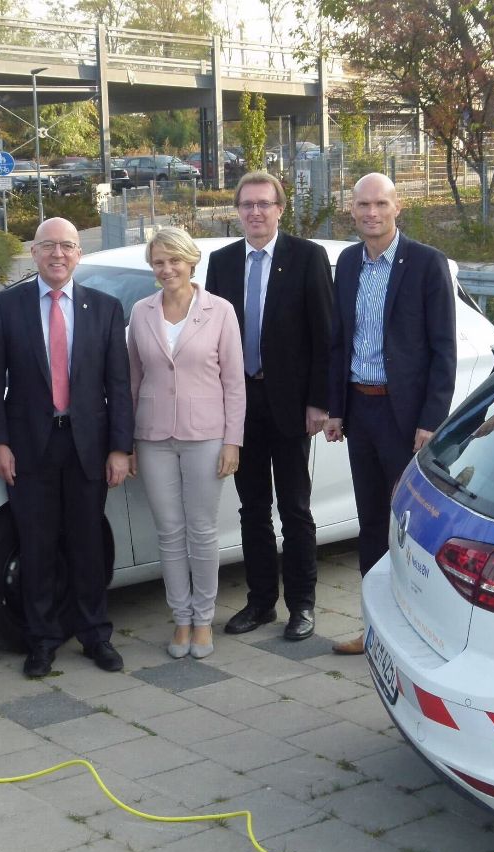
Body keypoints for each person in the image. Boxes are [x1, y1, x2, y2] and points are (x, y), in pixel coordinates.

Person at [0, 217, 134, 678]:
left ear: (78, 254)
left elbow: (118, 386)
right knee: (37, 547)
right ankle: (41, 640)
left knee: (87, 545)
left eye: (67, 246)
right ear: (34, 253)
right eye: (48, 246)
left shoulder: (104, 308)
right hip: (29, 448)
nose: (58, 254)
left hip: (88, 445)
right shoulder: (5, 307)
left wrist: (120, 448)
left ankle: (94, 635)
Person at [325, 172, 457, 655]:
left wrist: (431, 419)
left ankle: (421, 627)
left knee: (409, 525)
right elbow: (339, 340)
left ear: (397, 207)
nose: (371, 213)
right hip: (360, 411)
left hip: (407, 418)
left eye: (381, 203)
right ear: (352, 209)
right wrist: (336, 408)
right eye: (363, 205)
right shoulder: (347, 262)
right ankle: (373, 627)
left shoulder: (426, 264)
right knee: (370, 520)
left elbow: (444, 349)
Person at [205, 171, 332, 641]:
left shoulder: (307, 257)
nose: (255, 212)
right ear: (237, 211)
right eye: (247, 205)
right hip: (240, 405)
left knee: (295, 508)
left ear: (280, 209)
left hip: (292, 406)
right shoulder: (222, 262)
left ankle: (302, 605)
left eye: (264, 204)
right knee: (251, 509)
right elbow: (213, 338)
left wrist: (319, 401)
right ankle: (261, 603)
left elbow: (324, 334)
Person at [128, 227, 246, 658]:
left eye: (174, 260)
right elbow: (132, 379)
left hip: (205, 436)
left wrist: (232, 441)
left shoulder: (220, 311)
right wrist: (127, 441)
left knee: (201, 529)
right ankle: (180, 619)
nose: (166, 269)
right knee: (169, 531)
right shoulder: (141, 312)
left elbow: (234, 382)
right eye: (159, 262)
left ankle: (204, 620)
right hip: (153, 435)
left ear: (191, 262)